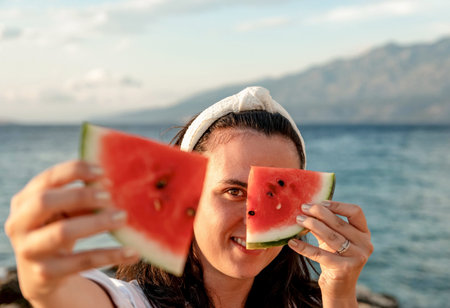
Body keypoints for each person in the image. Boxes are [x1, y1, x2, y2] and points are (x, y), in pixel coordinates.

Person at [5, 87, 373, 308]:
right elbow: (63, 294)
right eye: (233, 191)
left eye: (275, 194)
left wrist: (340, 292)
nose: (252, 213)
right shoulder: (130, 302)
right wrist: (41, 278)